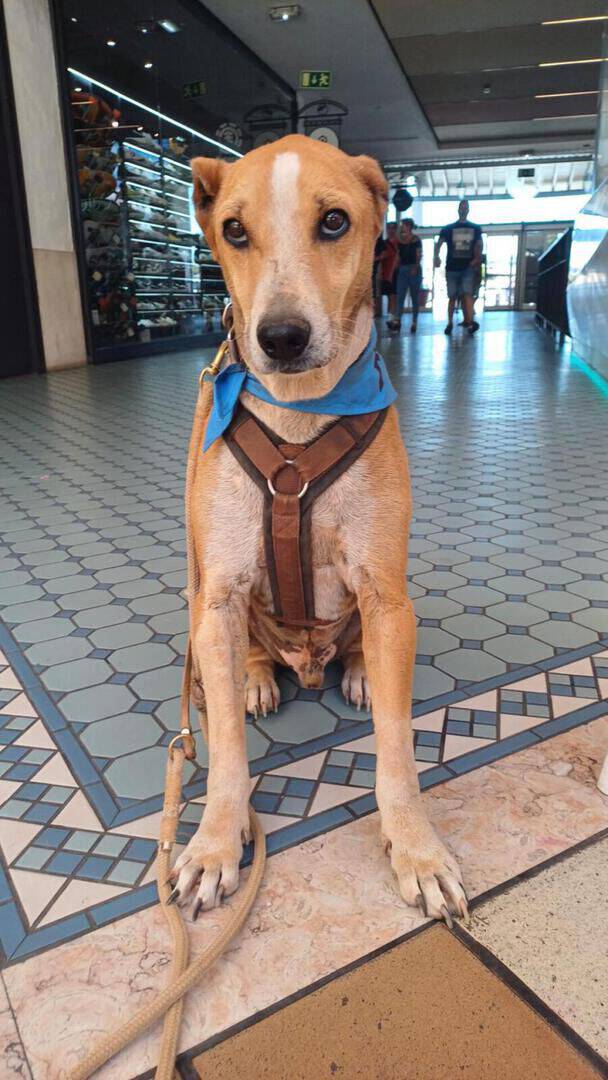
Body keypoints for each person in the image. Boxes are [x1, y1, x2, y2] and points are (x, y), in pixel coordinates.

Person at [434, 199, 482, 335]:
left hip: (467, 267)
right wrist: (436, 256)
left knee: (467, 294)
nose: (463, 210)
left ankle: (470, 321)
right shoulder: (448, 229)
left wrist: (477, 260)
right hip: (452, 268)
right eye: (462, 207)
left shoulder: (475, 228)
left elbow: (479, 245)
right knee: (453, 296)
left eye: (465, 208)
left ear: (468, 210)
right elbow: (439, 244)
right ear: (458, 209)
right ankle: (450, 323)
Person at [388, 218, 422, 334]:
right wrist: (393, 271)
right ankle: (397, 321)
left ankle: (414, 322)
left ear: (409, 226)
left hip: (413, 268)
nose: (402, 227)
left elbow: (418, 254)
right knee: (400, 296)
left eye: (404, 225)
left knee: (414, 297)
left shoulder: (416, 239)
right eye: (402, 225)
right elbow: (398, 256)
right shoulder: (400, 240)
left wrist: (416, 267)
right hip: (403, 269)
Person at [375, 222, 399, 318]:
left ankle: (392, 317)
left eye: (393, 228)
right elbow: (381, 260)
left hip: (396, 273)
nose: (391, 230)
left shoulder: (399, 243)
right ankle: (390, 316)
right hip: (385, 274)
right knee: (390, 296)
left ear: (396, 230)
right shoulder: (383, 243)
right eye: (389, 228)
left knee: (393, 296)